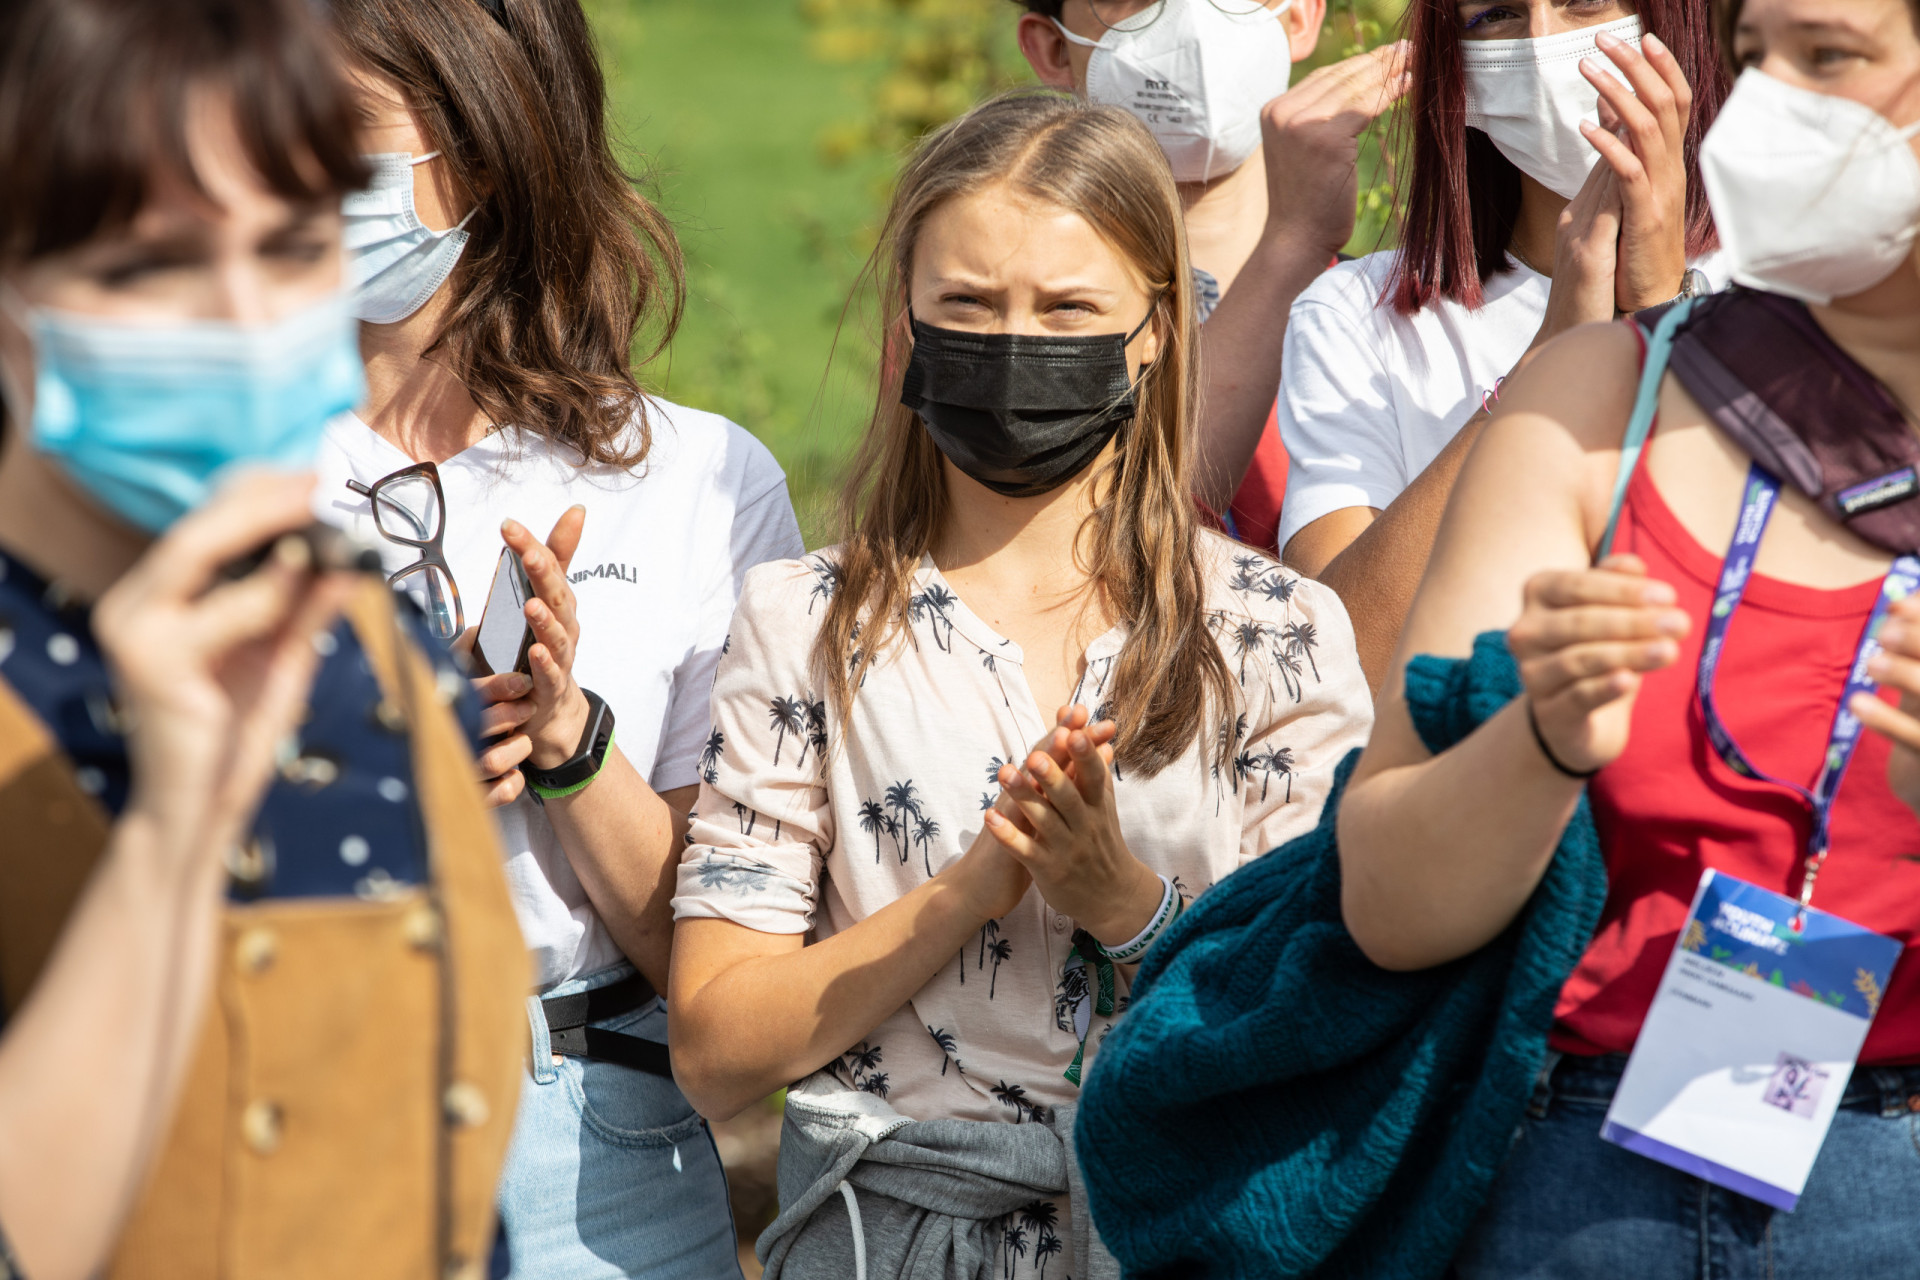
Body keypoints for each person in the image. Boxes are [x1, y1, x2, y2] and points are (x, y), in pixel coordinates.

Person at [666, 90, 1372, 1279]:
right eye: (969, 305)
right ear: (908, 326)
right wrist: (969, 891)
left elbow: (1310, 1015)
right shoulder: (804, 625)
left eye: (1067, 309)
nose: (1014, 344)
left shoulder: (1275, 629)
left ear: (1154, 328)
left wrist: (1124, 903)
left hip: (1176, 1233)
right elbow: (717, 1042)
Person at [1337, 0, 1920, 1269]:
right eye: (1758, 59)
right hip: (1568, 1177)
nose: (1766, 105)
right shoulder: (1597, 398)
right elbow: (1383, 899)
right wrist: (1537, 741)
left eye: (1828, 56)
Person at [0, 1, 527, 1278]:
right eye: (154, 266)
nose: (243, 316)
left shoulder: (370, 637)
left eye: (293, 249)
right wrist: (177, 826)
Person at [314, 1, 805, 1275]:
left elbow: (725, 968)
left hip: (601, 1155)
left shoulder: (697, 479)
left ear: (485, 143)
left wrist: (567, 737)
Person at [1279, 0, 1730, 688]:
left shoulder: (1816, 284)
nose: (1546, 45)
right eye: (1497, 15)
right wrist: (1546, 360)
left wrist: (1663, 310)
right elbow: (1335, 665)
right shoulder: (1355, 316)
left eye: (1584, 2)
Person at [1010, 0, 1411, 554]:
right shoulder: (986, 315)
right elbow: (1087, 554)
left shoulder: (1399, 320)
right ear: (1053, 48)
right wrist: (1293, 243)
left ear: (1299, 18)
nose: (1193, 25)